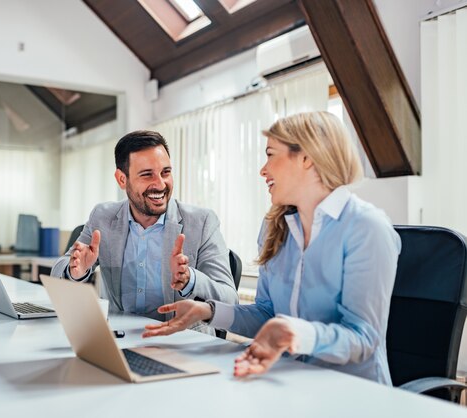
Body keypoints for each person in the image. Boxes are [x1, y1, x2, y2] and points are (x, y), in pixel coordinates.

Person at [142, 111, 401, 384]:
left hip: (352, 392)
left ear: (306, 158)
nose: (263, 170)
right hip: (287, 381)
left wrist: (294, 333)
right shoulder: (274, 227)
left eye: (270, 155)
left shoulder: (366, 227)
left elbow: (363, 339)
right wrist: (208, 311)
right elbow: (267, 314)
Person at [51, 130, 238, 324]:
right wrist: (76, 271)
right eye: (147, 175)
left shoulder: (201, 222)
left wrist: (190, 279)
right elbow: (59, 271)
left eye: (166, 172)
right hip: (118, 339)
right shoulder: (103, 217)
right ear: (122, 179)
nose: (160, 184)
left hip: (179, 342)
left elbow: (230, 301)